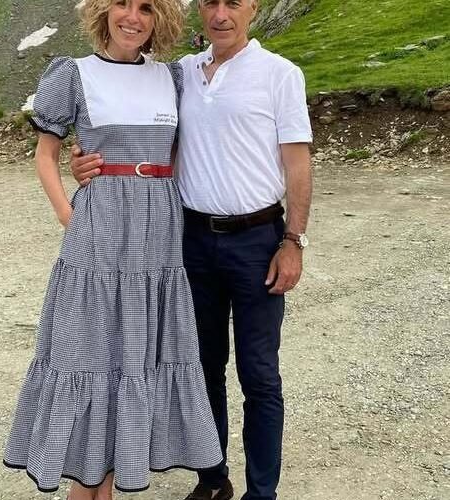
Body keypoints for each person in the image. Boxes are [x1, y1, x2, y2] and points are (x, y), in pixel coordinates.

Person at [70, 0, 313, 499]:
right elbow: (146, 135)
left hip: (257, 240)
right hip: (191, 241)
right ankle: (213, 480)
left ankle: (262, 492)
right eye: (210, 2)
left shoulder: (280, 74)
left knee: (260, 375)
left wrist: (293, 241)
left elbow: (298, 162)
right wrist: (86, 162)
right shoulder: (180, 74)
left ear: (253, 8)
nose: (221, 14)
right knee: (201, 368)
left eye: (234, 3)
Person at [3, 0, 223, 499]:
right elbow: (46, 154)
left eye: (146, 7)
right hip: (99, 225)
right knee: (89, 352)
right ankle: (86, 487)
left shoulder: (170, 77)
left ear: (159, 17)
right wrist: (68, 213)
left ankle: (103, 483)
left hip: (158, 231)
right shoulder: (74, 73)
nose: (133, 17)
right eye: (122, 3)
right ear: (102, 11)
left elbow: (181, 150)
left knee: (133, 356)